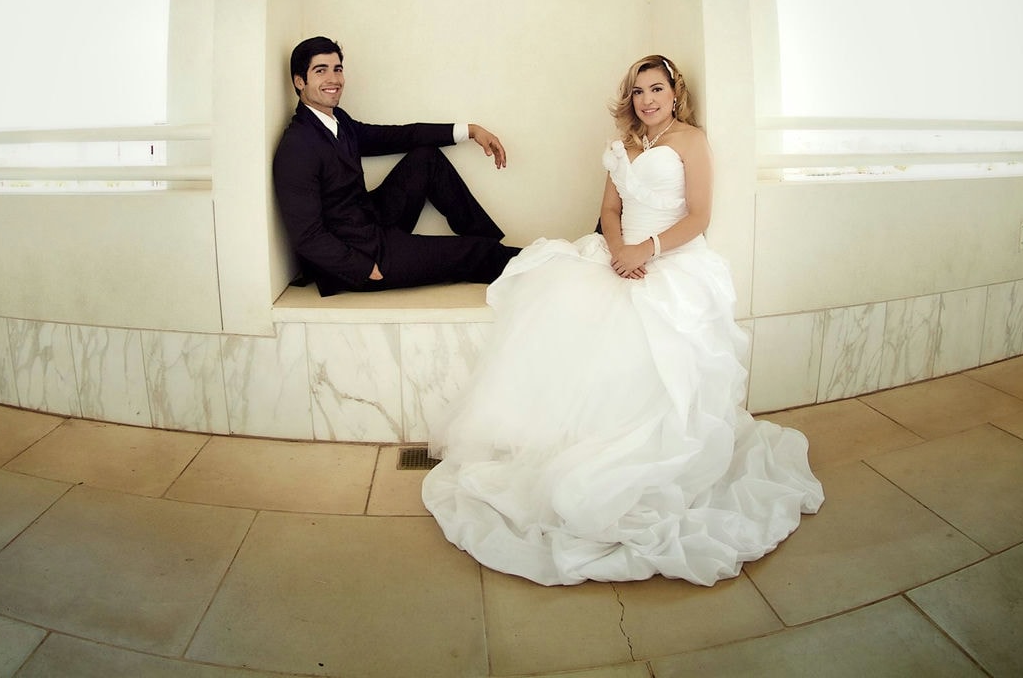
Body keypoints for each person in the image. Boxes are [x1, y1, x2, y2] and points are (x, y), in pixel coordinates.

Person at [422, 54, 823, 586]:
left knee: (642, 345)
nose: (648, 100)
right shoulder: (625, 147)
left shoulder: (691, 141)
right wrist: (618, 251)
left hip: (673, 260)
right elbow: (609, 209)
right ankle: (556, 448)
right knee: (559, 309)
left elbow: (700, 214)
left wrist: (647, 251)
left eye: (657, 89)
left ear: (675, 94)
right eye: (639, 92)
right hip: (620, 255)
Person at [273, 35, 520, 295]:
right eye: (320, 71)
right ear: (300, 81)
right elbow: (307, 236)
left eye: (338, 69)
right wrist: (363, 268)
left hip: (369, 220)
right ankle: (529, 263)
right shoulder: (297, 146)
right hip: (360, 254)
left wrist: (469, 130)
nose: (333, 79)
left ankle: (494, 246)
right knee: (475, 253)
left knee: (426, 158)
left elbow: (398, 136)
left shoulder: (338, 121)